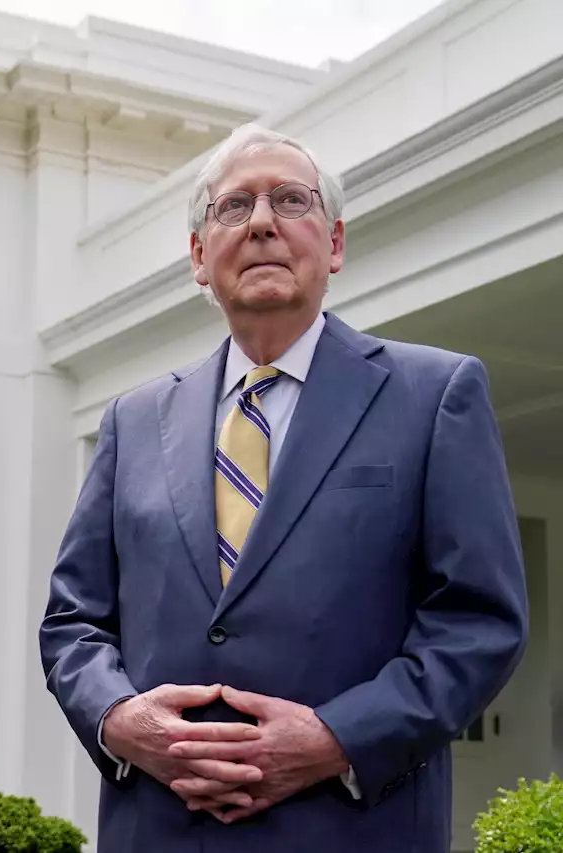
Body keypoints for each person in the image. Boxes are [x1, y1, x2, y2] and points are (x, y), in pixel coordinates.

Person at [38, 123, 528, 853]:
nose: (262, 220)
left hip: (353, 827)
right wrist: (118, 718)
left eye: (289, 201)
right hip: (159, 829)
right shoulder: (134, 419)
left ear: (332, 243)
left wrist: (335, 738)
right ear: (200, 257)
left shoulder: (435, 395)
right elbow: (73, 622)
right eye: (234, 207)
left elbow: (478, 623)